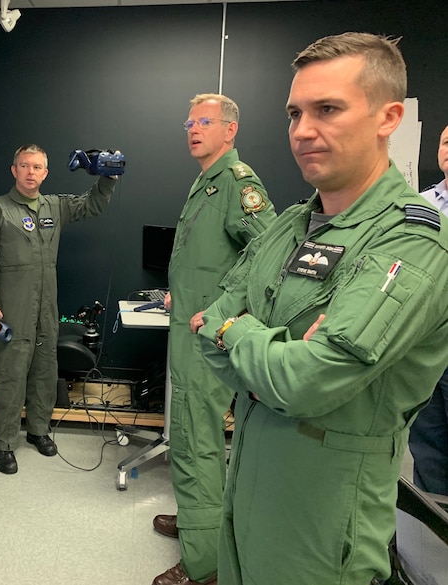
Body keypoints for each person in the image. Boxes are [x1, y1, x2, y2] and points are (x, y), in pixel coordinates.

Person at [195, 32, 448, 584]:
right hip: (249, 480)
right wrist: (257, 348)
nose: (303, 130)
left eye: (328, 109)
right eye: (294, 113)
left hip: (324, 507)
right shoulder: (290, 223)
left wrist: (237, 336)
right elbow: (205, 324)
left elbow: (309, 381)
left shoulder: (412, 242)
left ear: (389, 118)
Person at [151, 94, 276, 585]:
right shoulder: (205, 182)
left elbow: (266, 252)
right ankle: (198, 520)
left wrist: (222, 306)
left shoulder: (237, 181)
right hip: (186, 328)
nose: (193, 128)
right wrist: (178, 294)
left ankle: (205, 563)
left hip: (206, 340)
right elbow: (207, 258)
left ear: (231, 130)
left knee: (195, 438)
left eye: (205, 121)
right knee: (187, 433)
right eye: (189, 120)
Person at [0, 144, 118, 474]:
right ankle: (5, 443)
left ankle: (38, 430)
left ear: (45, 173)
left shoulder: (55, 206)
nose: (31, 172)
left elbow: (92, 204)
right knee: (11, 374)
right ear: (14, 170)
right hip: (11, 307)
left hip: (46, 307)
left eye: (37, 167)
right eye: (24, 166)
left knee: (45, 370)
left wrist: (107, 178)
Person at [408, 124, 448, 496]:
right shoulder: (419, 205)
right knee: (426, 440)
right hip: (425, 340)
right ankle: (430, 533)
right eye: (445, 141)